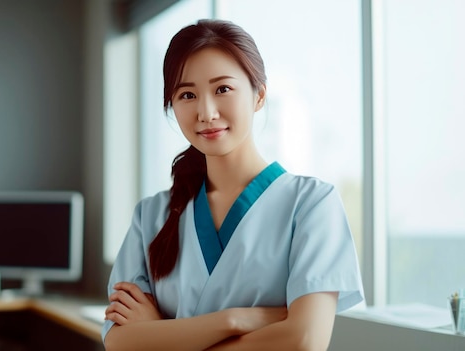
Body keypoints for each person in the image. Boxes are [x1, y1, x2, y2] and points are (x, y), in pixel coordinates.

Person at [102, 19, 364, 351]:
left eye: (222, 89)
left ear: (259, 95)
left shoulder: (312, 204)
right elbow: (119, 341)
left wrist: (162, 336)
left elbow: (304, 341)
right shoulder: (150, 217)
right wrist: (235, 320)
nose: (206, 111)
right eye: (187, 94)